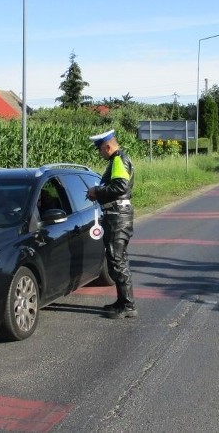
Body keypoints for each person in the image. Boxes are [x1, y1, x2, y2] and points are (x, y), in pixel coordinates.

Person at [86, 129, 137, 319]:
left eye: (100, 150)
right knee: (118, 258)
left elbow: (120, 186)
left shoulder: (118, 159)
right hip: (116, 215)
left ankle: (128, 305)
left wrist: (96, 191)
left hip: (118, 216)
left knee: (117, 260)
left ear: (108, 146)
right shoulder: (118, 160)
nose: (100, 153)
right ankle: (122, 301)